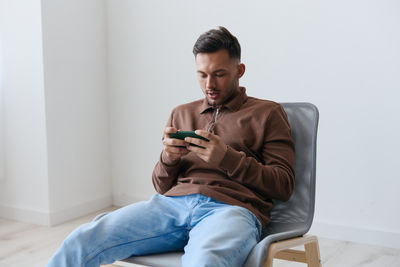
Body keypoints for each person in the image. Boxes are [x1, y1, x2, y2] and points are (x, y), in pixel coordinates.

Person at [47, 26, 295, 267]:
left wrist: (227, 158)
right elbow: (160, 185)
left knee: (204, 262)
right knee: (81, 240)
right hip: (170, 206)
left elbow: (283, 185)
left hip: (231, 210)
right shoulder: (182, 113)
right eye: (202, 74)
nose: (210, 84)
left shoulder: (268, 113)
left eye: (219, 74)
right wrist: (169, 157)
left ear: (239, 70)